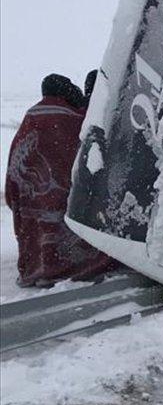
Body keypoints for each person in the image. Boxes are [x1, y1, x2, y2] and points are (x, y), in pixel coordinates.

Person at [4, 74, 118, 287]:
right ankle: (68, 266)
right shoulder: (73, 120)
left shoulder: (30, 119)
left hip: (32, 208)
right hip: (62, 203)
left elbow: (14, 171)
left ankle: (40, 268)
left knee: (42, 235)